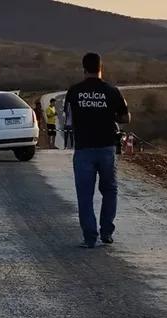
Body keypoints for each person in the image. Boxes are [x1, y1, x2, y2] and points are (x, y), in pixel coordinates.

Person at [64, 52, 131, 248]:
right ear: (101, 68)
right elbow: (125, 118)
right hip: (106, 148)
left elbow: (68, 120)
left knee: (85, 195)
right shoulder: (112, 91)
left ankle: (89, 238)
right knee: (109, 191)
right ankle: (107, 232)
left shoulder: (74, 92)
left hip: (84, 148)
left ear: (84, 69)